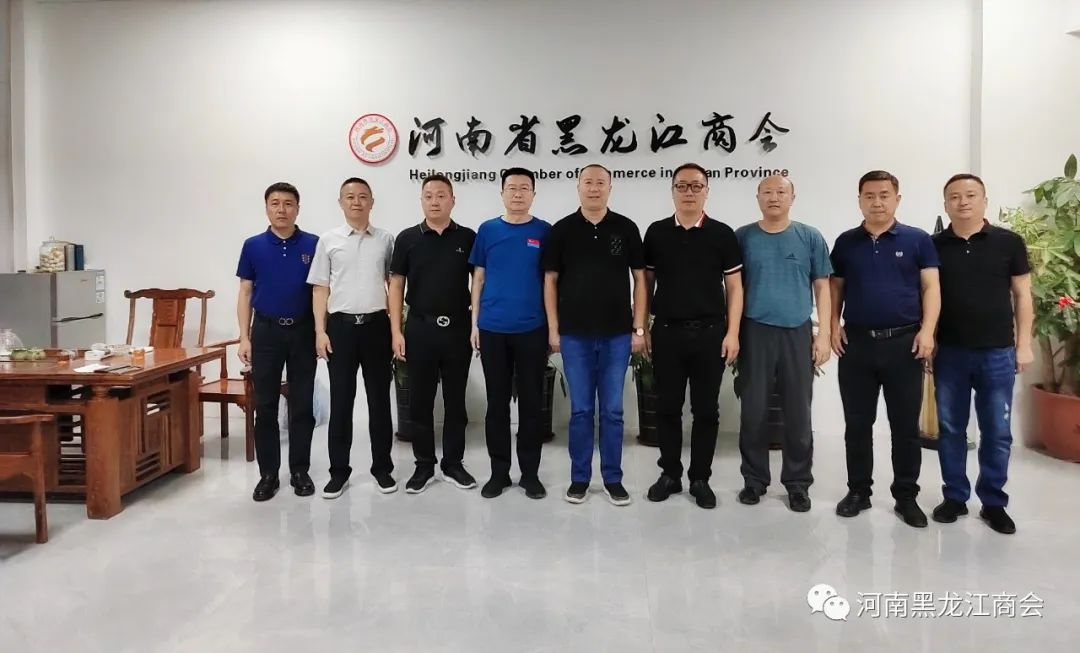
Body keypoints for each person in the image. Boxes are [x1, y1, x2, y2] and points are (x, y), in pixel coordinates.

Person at [829, 170, 940, 528]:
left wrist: (927, 331)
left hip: (904, 344)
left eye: (884, 195)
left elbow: (931, 288)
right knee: (857, 424)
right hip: (856, 344)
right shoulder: (846, 242)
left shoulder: (918, 240)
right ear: (859, 200)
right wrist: (832, 325)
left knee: (905, 426)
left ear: (897, 199)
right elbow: (835, 288)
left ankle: (906, 496)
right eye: (869, 196)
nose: (877, 202)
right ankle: (858, 491)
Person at [931, 173, 1034, 535]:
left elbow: (1023, 295)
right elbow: (926, 296)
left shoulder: (1008, 242)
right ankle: (955, 496)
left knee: (997, 431)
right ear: (946, 204)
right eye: (955, 196)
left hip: (997, 352)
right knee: (950, 429)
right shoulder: (933, 245)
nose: (963, 202)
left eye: (971, 195)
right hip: (950, 352)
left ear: (984, 200)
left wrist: (1024, 343)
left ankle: (993, 502)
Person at [543, 164, 646, 506]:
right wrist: (554, 329)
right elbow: (550, 281)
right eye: (588, 182)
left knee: (613, 410)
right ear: (578, 187)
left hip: (617, 335)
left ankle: (613, 478)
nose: (594, 188)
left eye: (600, 182)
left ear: (610, 188)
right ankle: (580, 478)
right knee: (582, 410)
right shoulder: (562, 230)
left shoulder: (626, 228)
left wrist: (639, 328)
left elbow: (640, 279)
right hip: (575, 335)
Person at [642, 163, 744, 509]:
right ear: (672, 191)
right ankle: (670, 474)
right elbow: (645, 284)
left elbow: (735, 287)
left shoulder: (722, 234)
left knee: (706, 411)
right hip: (666, 333)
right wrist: (642, 327)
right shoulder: (657, 233)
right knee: (667, 408)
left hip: (710, 334)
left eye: (696, 186)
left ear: (706, 191)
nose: (689, 192)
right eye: (682, 186)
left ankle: (700, 478)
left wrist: (733, 332)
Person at [735, 174, 832, 512]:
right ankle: (754, 480)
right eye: (767, 192)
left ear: (793, 197)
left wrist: (824, 335)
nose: (774, 197)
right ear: (758, 197)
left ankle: (798, 483)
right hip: (754, 330)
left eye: (781, 191)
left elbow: (823, 287)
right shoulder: (743, 237)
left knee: (798, 412)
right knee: (753, 410)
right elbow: (733, 288)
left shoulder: (809, 236)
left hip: (797, 331)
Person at [388, 174, 478, 494]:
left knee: (456, 402)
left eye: (441, 195)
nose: (435, 201)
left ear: (453, 200)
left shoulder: (467, 237)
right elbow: (396, 285)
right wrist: (396, 330)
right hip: (420, 328)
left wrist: (476, 324)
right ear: (421, 201)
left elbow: (479, 282)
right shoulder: (408, 238)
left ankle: (453, 464)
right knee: (420, 402)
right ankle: (424, 465)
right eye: (429, 196)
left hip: (457, 328)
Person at [307, 177, 396, 499]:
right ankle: (339, 472)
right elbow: (320, 288)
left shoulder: (386, 240)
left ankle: (382, 469)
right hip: (340, 329)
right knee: (342, 403)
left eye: (362, 197)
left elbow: (394, 286)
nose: (356, 202)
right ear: (340, 202)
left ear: (372, 202)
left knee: (379, 402)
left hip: (376, 327)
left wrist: (395, 330)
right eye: (350, 197)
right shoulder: (328, 241)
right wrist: (320, 331)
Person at [469, 167, 551, 500]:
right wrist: (475, 323)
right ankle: (499, 473)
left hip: (533, 328)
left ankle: (530, 474)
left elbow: (551, 282)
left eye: (524, 188)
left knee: (531, 403)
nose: (518, 193)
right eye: (512, 188)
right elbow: (478, 278)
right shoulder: (488, 230)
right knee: (497, 404)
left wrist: (552, 328)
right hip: (492, 328)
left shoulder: (544, 231)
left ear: (534, 194)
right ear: (502, 193)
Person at [236, 182, 319, 502]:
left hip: (302, 331)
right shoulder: (253, 245)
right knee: (266, 405)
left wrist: (320, 331)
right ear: (266, 208)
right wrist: (244, 337)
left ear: (298, 208)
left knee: (302, 404)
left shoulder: (313, 244)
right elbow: (245, 292)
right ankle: (268, 474)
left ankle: (299, 470)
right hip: (266, 332)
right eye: (275, 203)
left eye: (288, 203)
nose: (281, 209)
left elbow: (320, 291)